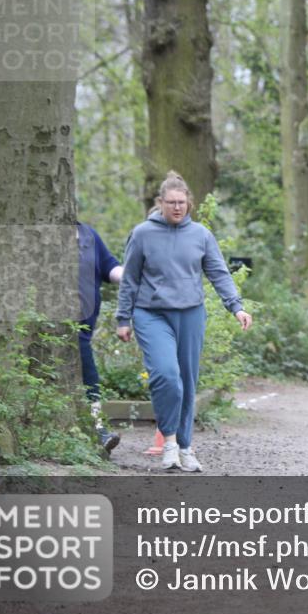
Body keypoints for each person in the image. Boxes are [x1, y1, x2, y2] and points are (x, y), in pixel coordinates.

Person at [115, 171, 253, 472]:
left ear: (188, 202)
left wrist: (236, 307)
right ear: (160, 203)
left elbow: (218, 273)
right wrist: (122, 318)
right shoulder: (142, 234)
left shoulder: (201, 235)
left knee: (188, 382)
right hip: (151, 313)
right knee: (166, 375)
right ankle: (169, 442)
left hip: (190, 313)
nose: (177, 207)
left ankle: (186, 447)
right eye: (171, 202)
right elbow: (130, 280)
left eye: (182, 202)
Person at [77, 222, 124, 453]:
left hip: (85, 324)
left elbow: (110, 268)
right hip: (54, 325)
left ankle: (96, 430)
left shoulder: (87, 234)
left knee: (89, 374)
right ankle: (97, 431)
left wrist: (134, 276)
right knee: (89, 373)